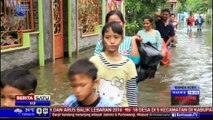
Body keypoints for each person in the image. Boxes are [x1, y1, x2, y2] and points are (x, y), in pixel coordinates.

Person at [90, 22, 138, 107]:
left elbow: (132, 97)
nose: (112, 41)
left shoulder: (129, 64)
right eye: (107, 37)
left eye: (116, 37)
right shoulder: (94, 61)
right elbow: (90, 92)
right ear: (102, 39)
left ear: (122, 39)